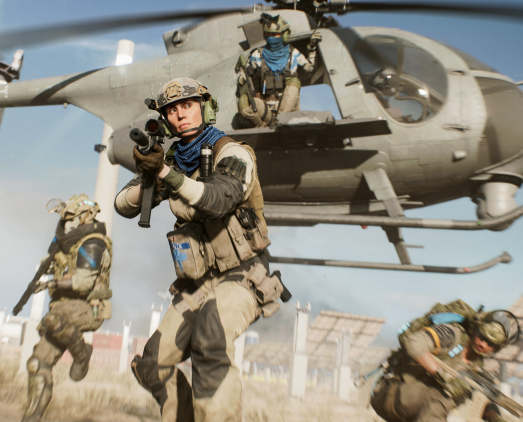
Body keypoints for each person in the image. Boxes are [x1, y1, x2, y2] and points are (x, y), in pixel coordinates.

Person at [115, 78, 289, 422]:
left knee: (210, 339)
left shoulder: (233, 153)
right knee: (151, 365)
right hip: (198, 282)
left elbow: (216, 199)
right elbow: (123, 205)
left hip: (243, 274)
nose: (181, 115)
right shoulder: (173, 161)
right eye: (172, 111)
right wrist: (150, 174)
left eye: (188, 106)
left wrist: (165, 173)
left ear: (205, 108)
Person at [22, 194, 113, 422]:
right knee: (36, 365)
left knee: (53, 321)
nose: (69, 223)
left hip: (87, 308)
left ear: (85, 216)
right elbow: (53, 265)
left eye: (73, 218)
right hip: (62, 310)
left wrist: (49, 284)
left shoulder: (93, 243)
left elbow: (82, 283)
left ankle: (82, 355)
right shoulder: (68, 244)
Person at [371, 300, 519, 422]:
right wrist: (445, 378)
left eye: (491, 343)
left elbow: (483, 398)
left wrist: (493, 417)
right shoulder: (452, 335)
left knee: (462, 391)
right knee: (450, 394)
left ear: (497, 348)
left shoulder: (476, 368)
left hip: (410, 408)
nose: (483, 344)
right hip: (391, 394)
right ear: (475, 328)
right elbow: (413, 342)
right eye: (482, 336)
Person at [237, 13, 321, 128]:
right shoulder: (257, 55)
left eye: (275, 34)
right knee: (243, 102)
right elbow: (247, 75)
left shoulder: (293, 54)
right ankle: (263, 127)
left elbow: (310, 70)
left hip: (288, 111)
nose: (271, 37)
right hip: (267, 109)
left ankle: (279, 123)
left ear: (285, 34)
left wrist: (312, 49)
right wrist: (244, 81)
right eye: (268, 34)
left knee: (294, 82)